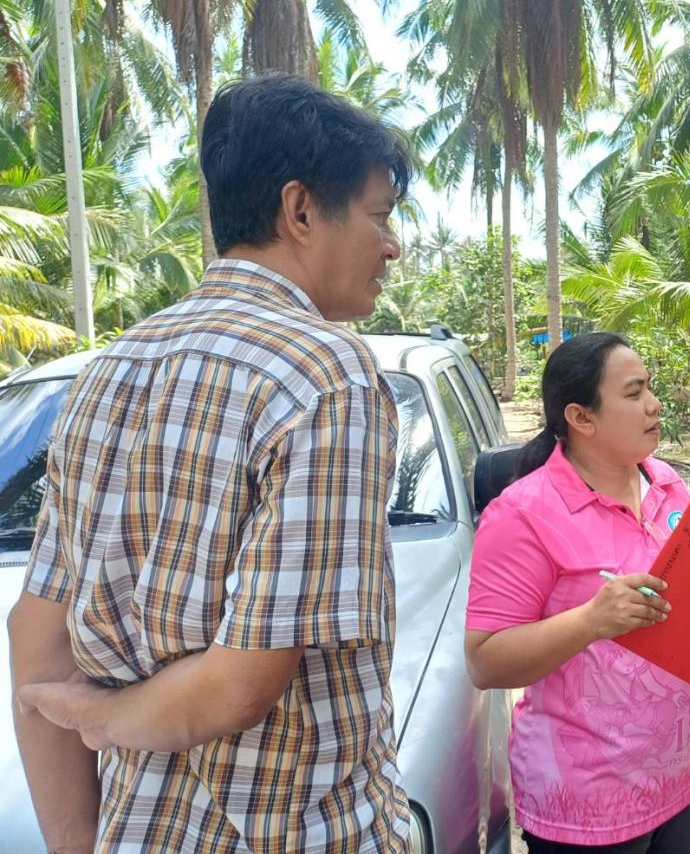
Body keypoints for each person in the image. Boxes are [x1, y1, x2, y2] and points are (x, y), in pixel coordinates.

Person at [9, 74, 413, 853]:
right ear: (300, 210)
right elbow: (241, 683)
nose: (391, 245)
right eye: (380, 216)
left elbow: (37, 632)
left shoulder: (111, 366)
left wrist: (77, 841)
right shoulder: (327, 374)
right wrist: (103, 718)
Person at [464, 332, 690, 853]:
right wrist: (590, 621)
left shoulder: (667, 482)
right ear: (582, 418)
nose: (654, 405)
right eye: (633, 394)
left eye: (649, 388)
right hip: (585, 801)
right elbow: (485, 662)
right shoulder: (523, 515)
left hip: (677, 778)